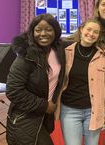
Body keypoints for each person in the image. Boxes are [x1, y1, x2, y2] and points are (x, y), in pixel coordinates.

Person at [6, 13, 66, 145]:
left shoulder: (57, 50)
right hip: (25, 118)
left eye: (48, 29)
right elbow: (13, 91)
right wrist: (44, 105)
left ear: (56, 31)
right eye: (38, 30)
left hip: (44, 118)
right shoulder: (25, 56)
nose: (43, 34)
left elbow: (81, 39)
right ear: (32, 32)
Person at [56, 18, 105, 145]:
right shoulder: (67, 52)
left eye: (96, 32)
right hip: (69, 111)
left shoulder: (103, 55)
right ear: (81, 29)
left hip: (93, 111)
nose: (91, 34)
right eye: (88, 29)